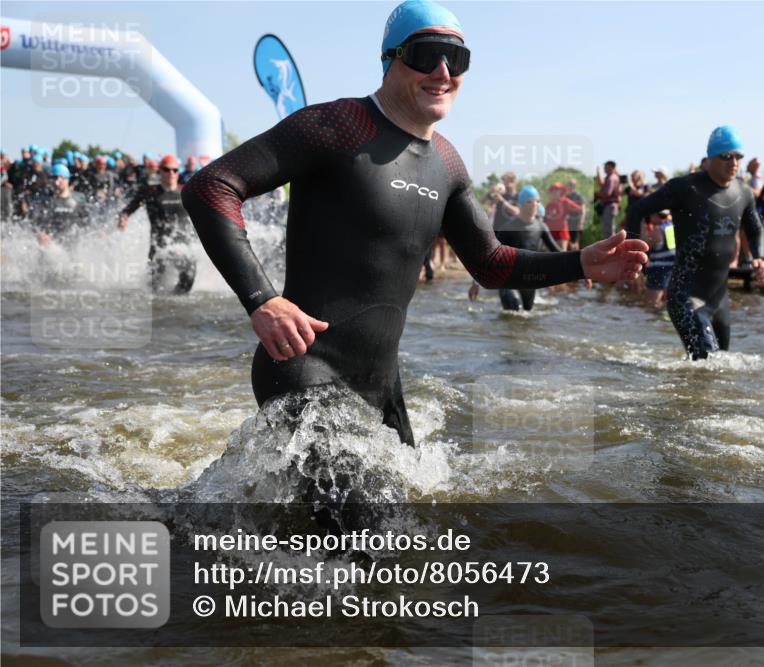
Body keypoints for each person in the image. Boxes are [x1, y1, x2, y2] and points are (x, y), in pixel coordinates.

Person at [182, 0, 648, 448]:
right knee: (364, 528)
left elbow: (490, 264)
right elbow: (212, 186)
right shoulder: (338, 125)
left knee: (407, 524)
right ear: (390, 60)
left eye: (456, 58)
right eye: (427, 55)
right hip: (305, 367)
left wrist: (580, 263)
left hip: (382, 385)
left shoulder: (447, 163)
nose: (443, 72)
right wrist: (263, 301)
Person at [623, 125, 764, 359]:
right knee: (708, 364)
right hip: (685, 295)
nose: (733, 162)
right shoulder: (685, 187)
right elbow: (637, 211)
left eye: (738, 156)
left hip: (719, 299)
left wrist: (761, 257)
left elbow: (755, 228)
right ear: (711, 157)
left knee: (720, 367)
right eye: (726, 156)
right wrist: (634, 260)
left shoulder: (744, 192)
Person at [468, 185, 562, 311]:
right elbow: (491, 256)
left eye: (538, 201)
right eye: (531, 201)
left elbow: (557, 253)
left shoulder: (541, 227)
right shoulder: (508, 228)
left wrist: (580, 270)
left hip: (530, 279)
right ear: (522, 204)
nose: (535, 205)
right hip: (507, 278)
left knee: (527, 315)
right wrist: (476, 283)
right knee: (513, 309)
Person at [119, 154, 198, 294]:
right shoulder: (150, 192)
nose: (171, 173)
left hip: (182, 245)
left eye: (175, 170)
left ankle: (176, 305)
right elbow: (129, 208)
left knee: (188, 279)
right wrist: (124, 217)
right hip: (159, 247)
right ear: (160, 170)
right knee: (153, 289)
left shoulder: (186, 191)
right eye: (167, 169)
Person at [32, 164, 88, 245]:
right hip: (52, 245)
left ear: (67, 179)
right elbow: (34, 222)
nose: (57, 182)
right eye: (54, 178)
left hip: (73, 244)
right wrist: (39, 234)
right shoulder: (45, 200)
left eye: (61, 178)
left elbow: (88, 222)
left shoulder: (79, 199)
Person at [642, 210, 675, 309]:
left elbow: (644, 245)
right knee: (665, 304)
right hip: (671, 268)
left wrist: (644, 227)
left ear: (656, 216)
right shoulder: (673, 227)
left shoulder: (658, 230)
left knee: (650, 305)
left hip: (659, 270)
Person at [543, 182, 582, 250]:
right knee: (548, 253)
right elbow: (544, 217)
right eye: (554, 189)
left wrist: (571, 215)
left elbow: (579, 209)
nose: (555, 191)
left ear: (561, 191)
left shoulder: (565, 201)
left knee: (562, 252)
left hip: (562, 231)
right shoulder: (549, 204)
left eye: (557, 189)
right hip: (550, 230)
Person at [595, 160, 621, 238]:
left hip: (609, 206)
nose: (604, 169)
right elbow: (601, 184)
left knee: (608, 230)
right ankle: (610, 247)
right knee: (608, 228)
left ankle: (611, 248)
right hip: (610, 206)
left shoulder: (611, 178)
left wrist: (597, 194)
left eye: (606, 167)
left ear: (611, 167)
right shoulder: (611, 177)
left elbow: (607, 193)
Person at [564, 178, 587, 250]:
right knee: (568, 242)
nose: (569, 186)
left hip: (577, 222)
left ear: (574, 186)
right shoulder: (566, 196)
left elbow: (583, 210)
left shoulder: (579, 196)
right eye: (569, 185)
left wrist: (581, 223)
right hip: (568, 223)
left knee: (575, 242)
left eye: (571, 185)